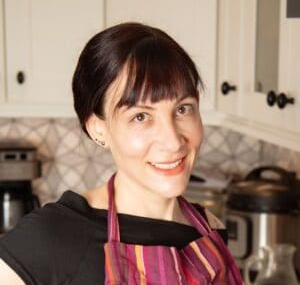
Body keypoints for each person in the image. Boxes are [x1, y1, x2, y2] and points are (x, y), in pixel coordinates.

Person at [0, 22, 243, 284]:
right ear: (98, 129)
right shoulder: (54, 236)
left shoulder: (210, 229)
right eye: (141, 116)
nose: (173, 141)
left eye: (183, 109)